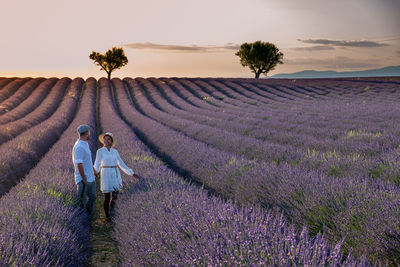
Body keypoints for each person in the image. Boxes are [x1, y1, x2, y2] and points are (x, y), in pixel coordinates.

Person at [94, 132, 140, 222]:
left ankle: (113, 212)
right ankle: (107, 216)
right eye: (105, 139)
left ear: (111, 141)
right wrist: (95, 172)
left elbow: (121, 163)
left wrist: (131, 173)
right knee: (107, 196)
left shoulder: (115, 151)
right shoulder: (100, 151)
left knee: (115, 195)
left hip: (115, 173)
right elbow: (97, 163)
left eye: (108, 139)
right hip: (106, 173)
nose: (106, 141)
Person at [72, 124, 97, 215]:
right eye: (89, 133)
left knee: (93, 197)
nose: (89, 134)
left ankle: (88, 214)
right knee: (81, 202)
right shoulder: (79, 147)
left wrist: (93, 170)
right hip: (83, 179)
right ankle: (82, 217)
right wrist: (84, 179)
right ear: (86, 133)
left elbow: (88, 161)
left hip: (90, 177)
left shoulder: (85, 143)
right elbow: (79, 165)